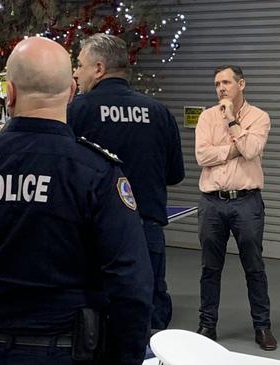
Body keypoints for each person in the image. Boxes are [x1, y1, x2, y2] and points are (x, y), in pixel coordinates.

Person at [0, 37, 153, 364]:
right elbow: (130, 282)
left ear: (9, 93)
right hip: (67, 351)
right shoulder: (97, 173)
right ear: (71, 91)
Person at [69, 33, 185, 332]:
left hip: (93, 234)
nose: (75, 72)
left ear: (98, 68)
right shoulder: (159, 113)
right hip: (146, 229)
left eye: (79, 65)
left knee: (96, 315)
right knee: (148, 308)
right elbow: (175, 175)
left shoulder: (77, 111)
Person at [194, 65, 276, 351]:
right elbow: (202, 156)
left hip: (246, 202)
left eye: (226, 82)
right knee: (209, 268)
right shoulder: (206, 117)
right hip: (212, 203)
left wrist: (231, 121)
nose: (221, 88)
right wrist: (233, 149)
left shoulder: (260, 117)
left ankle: (262, 326)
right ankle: (207, 324)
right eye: (217, 83)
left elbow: (252, 150)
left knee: (254, 267)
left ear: (241, 84)